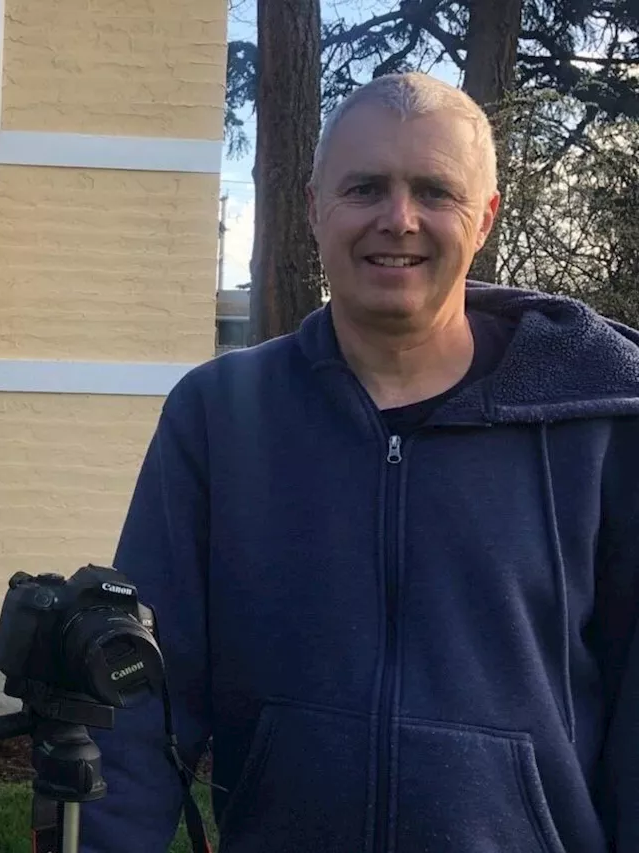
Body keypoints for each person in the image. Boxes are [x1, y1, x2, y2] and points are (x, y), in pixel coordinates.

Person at [80, 72, 639, 853]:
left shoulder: (599, 427)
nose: (398, 219)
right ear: (315, 208)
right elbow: (138, 694)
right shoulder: (218, 416)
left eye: (434, 191)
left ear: (484, 219)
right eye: (365, 187)